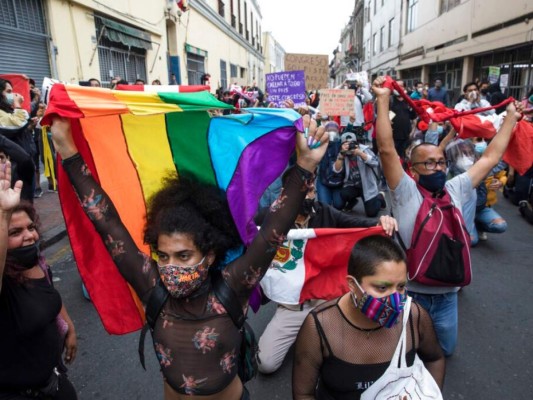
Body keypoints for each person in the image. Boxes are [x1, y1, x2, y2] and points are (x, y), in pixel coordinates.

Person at [50, 114, 327, 400]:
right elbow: (107, 222)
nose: (171, 267)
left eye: (183, 255)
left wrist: (305, 166)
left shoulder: (234, 286)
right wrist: (68, 150)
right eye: (163, 255)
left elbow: (272, 231)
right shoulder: (151, 286)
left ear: (208, 256)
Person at [372, 75, 522, 356]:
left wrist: (511, 118)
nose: (438, 167)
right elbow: (386, 148)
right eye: (428, 163)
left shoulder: (457, 187)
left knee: (445, 351)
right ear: (412, 170)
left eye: (441, 162)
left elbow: (489, 158)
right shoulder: (405, 191)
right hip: (411, 294)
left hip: (448, 298)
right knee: (402, 354)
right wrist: (382, 99)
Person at [254, 179, 398, 374]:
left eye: (312, 191)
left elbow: (357, 224)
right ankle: (307, 333)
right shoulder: (269, 218)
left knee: (350, 358)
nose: (308, 196)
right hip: (293, 306)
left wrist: (381, 223)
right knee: (265, 363)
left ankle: (321, 334)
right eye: (302, 191)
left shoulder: (324, 211)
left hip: (327, 301)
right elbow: (240, 230)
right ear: (284, 193)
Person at [292, 235, 445, 399]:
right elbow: (303, 393)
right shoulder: (320, 325)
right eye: (382, 287)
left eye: (400, 287)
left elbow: (435, 358)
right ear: (352, 284)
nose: (395, 299)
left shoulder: (413, 317)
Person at [0, 160, 78, 399]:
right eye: (15, 232)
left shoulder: (36, 263)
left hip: (55, 383)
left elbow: (48, 294)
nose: (29, 236)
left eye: (31, 227)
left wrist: (69, 327)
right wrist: (3, 214)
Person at [330, 132, 386, 216]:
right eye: (346, 144)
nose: (349, 147)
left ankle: (380, 197)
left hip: (366, 186)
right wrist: (341, 155)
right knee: (344, 194)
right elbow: (336, 170)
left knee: (371, 213)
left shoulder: (364, 150)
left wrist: (360, 153)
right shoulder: (342, 153)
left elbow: (375, 163)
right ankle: (352, 201)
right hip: (352, 185)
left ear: (356, 144)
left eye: (351, 144)